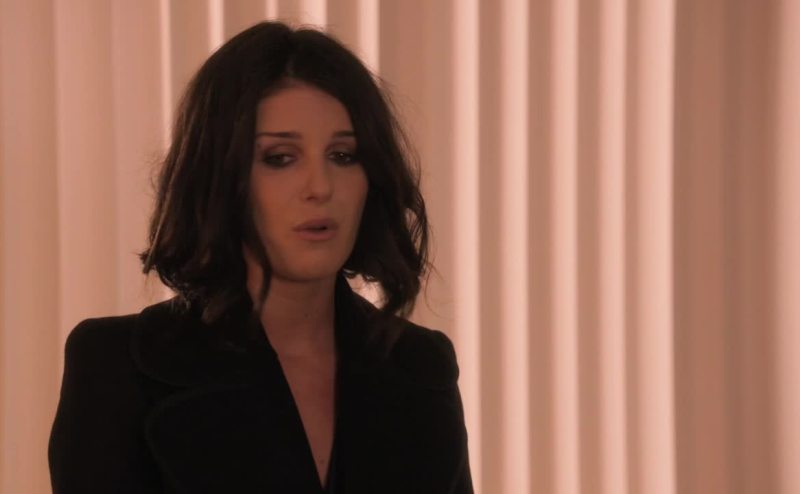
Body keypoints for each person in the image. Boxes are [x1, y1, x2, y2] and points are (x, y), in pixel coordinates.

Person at [47, 20, 473, 493]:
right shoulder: (116, 366)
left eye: (344, 155)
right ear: (220, 177)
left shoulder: (421, 365)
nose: (320, 187)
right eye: (280, 158)